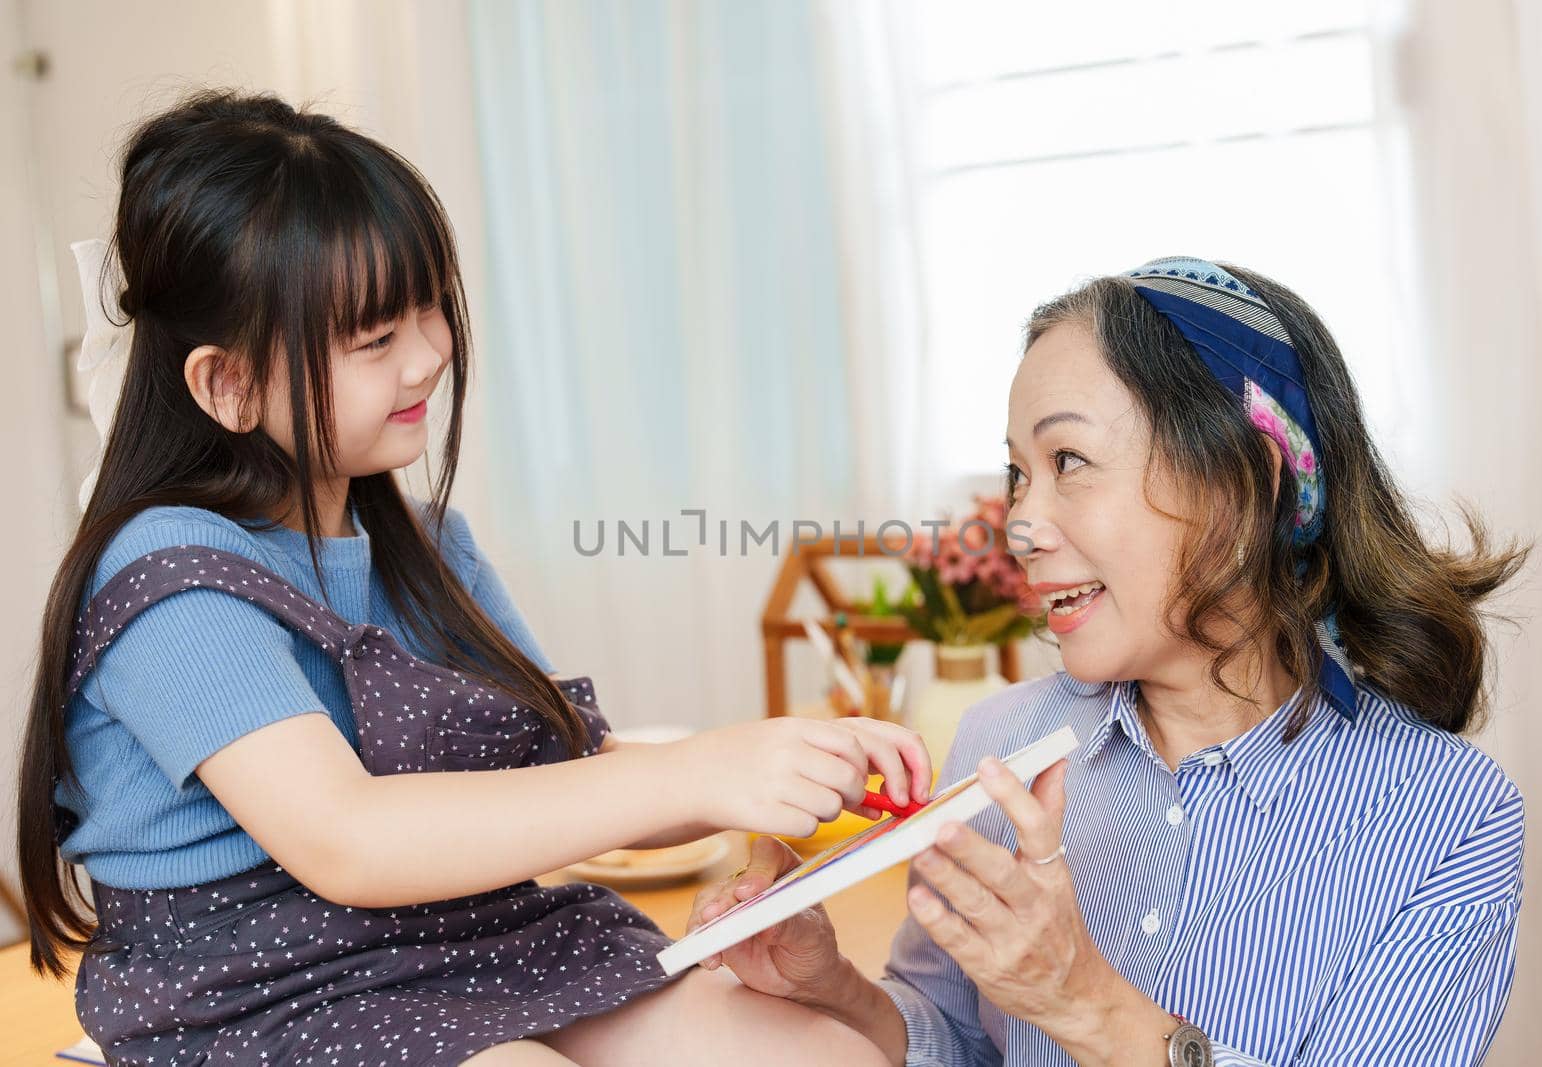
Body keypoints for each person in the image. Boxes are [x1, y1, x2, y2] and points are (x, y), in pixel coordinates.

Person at [13, 88, 931, 1067]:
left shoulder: (429, 540)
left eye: (429, 308)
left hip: (472, 935)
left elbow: (562, 783)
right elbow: (347, 838)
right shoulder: (168, 576)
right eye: (374, 340)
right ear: (227, 384)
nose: (427, 358)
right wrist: (702, 769)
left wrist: (781, 760)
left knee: (825, 1054)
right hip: (256, 994)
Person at [689, 257, 1530, 1066]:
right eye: (1018, 474)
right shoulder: (1001, 742)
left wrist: (1084, 1001)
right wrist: (834, 988)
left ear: (1249, 485)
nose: (1021, 526)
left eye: (1069, 462)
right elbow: (960, 1038)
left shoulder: (1449, 818)